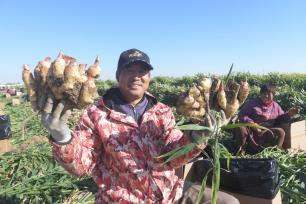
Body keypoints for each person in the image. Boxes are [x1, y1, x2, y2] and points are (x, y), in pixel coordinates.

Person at [41, 48, 239, 203]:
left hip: (169, 193)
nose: (136, 76)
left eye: (142, 71)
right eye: (129, 70)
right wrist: (63, 138)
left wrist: (197, 138)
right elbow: (81, 167)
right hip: (123, 199)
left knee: (228, 202)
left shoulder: (162, 111)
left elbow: (173, 157)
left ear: (149, 78)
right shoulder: (95, 115)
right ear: (118, 75)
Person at [234, 83, 299, 154]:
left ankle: (275, 152)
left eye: (269, 94)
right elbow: (242, 114)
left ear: (273, 96)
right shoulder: (252, 103)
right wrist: (252, 124)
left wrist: (289, 114)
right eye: (264, 93)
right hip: (252, 132)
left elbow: (281, 118)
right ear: (260, 93)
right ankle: (241, 150)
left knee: (280, 131)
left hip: (266, 132)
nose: (266, 96)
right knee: (240, 127)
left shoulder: (275, 106)